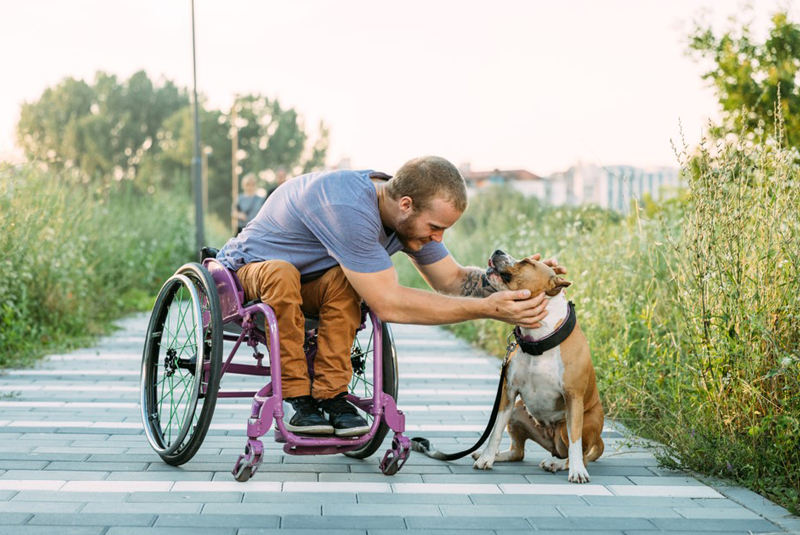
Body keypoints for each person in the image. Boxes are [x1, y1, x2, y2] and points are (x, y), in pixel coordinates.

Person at [216, 156, 565, 437]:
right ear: (406, 204)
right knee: (283, 272)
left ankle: (331, 395)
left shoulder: (405, 215)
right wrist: (487, 309)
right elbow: (387, 302)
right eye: (435, 228)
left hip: (308, 287)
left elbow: (454, 279)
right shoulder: (349, 207)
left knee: (344, 280)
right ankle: (297, 396)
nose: (439, 239)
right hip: (249, 276)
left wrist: (520, 282)